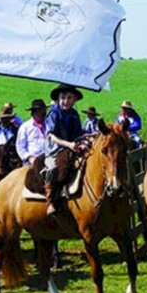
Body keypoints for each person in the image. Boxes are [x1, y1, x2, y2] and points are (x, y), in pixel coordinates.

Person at [43, 83, 85, 215]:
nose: (65, 101)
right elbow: (52, 136)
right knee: (54, 169)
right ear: (58, 99)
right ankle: (51, 201)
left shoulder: (74, 114)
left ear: (74, 100)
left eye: (69, 98)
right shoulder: (53, 113)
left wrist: (83, 141)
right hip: (55, 150)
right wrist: (69, 144)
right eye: (63, 98)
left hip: (71, 148)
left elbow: (78, 134)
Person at [15, 99, 49, 167]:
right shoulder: (25, 127)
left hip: (49, 159)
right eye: (39, 111)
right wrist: (29, 157)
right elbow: (20, 146)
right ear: (33, 112)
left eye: (43, 110)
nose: (42, 113)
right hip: (31, 161)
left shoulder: (50, 125)